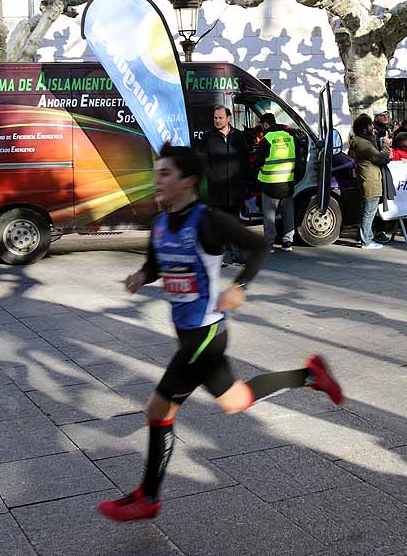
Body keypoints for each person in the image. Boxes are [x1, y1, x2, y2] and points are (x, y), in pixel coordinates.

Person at [99, 144, 344, 523]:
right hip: (189, 335)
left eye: (165, 173)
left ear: (188, 180)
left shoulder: (207, 220)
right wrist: (140, 277)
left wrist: (240, 286)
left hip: (205, 334)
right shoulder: (161, 223)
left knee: (158, 408)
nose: (157, 180)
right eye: (157, 172)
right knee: (235, 401)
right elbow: (154, 265)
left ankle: (148, 497)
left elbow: (260, 244)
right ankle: (310, 375)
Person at [196, 105, 251, 266]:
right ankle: (218, 257)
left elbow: (245, 160)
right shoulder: (208, 137)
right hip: (216, 190)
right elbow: (200, 159)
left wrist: (244, 180)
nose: (217, 121)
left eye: (220, 118)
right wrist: (209, 174)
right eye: (215, 118)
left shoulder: (239, 136)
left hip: (235, 190)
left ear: (229, 118)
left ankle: (237, 256)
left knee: (234, 224)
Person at [255, 113, 296, 253]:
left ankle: (270, 244)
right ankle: (287, 242)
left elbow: (258, 160)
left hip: (270, 184)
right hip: (288, 182)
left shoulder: (267, 138)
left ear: (266, 124)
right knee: (288, 214)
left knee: (269, 216)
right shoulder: (289, 137)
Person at [349, 113, 391, 249]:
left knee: (366, 211)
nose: (372, 127)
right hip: (370, 180)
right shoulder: (363, 144)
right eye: (370, 125)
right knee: (369, 212)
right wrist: (385, 146)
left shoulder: (361, 141)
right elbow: (378, 157)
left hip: (368, 179)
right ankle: (366, 240)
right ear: (363, 128)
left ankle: (362, 236)